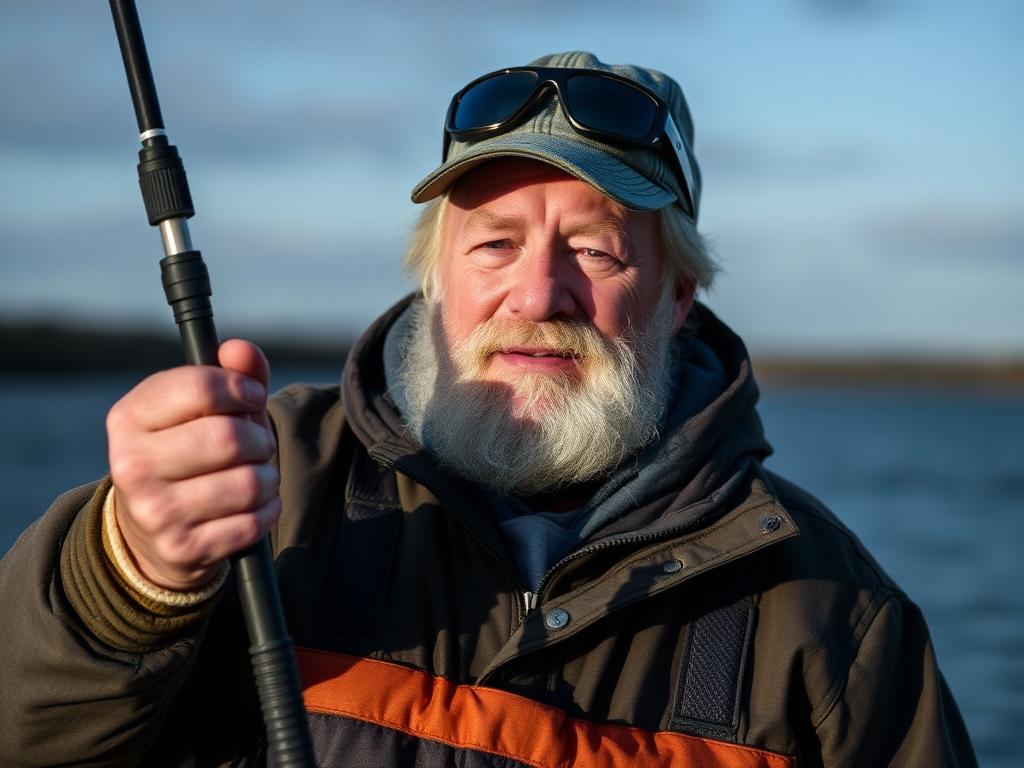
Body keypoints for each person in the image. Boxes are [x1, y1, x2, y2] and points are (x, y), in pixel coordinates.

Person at [0, 51, 976, 767]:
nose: (537, 293)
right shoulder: (267, 479)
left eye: (596, 251)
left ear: (678, 299)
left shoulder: (838, 615)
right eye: (493, 245)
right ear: (434, 281)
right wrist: (131, 573)